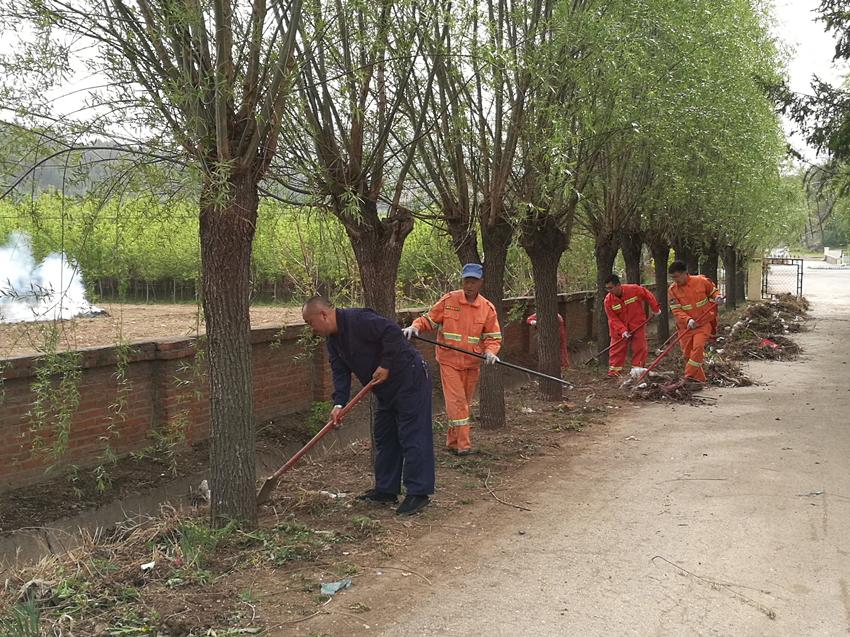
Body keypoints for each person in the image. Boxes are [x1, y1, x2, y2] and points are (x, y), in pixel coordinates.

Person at [302, 296, 434, 516]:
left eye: (310, 322)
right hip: (385, 390)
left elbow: (392, 332)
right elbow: (340, 373)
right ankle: (386, 490)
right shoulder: (333, 342)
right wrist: (339, 403)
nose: (311, 329)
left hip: (409, 378)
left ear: (323, 314)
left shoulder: (358, 319)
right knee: (385, 434)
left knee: (412, 435)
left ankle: (418, 493)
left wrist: (385, 365)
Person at [402, 263, 501, 456]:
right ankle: (463, 446)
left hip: (472, 363)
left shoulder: (487, 308)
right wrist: (415, 327)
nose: (469, 285)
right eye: (466, 280)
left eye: (473, 281)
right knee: (457, 403)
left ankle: (452, 442)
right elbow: (429, 319)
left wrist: (491, 351)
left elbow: (493, 336)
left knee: (463, 402)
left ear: (481, 282)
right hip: (449, 361)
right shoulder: (449, 300)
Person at [667, 261, 724, 383]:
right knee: (688, 355)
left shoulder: (701, 281)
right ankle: (699, 380)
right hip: (685, 327)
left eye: (676, 276)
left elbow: (713, 291)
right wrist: (688, 320)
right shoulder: (672, 290)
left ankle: (687, 378)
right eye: (672, 277)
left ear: (685, 273)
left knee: (697, 349)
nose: (675, 280)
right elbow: (676, 310)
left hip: (703, 323)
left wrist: (717, 297)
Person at [603, 274, 661, 377]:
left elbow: (648, 295)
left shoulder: (634, 289)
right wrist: (623, 331)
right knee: (616, 350)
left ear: (618, 285)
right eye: (607, 288)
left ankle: (637, 370)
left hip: (637, 324)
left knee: (640, 347)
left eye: (611, 288)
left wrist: (655, 309)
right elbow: (613, 319)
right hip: (618, 330)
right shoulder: (608, 301)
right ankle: (614, 373)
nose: (609, 291)